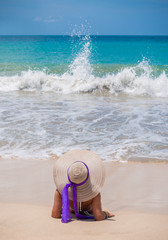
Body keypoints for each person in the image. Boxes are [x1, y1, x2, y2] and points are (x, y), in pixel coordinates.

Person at [51, 150, 115, 222]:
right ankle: (105, 211)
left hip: (71, 209)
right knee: (99, 209)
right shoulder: (94, 192)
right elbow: (99, 217)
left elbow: (55, 215)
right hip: (87, 211)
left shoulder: (61, 190)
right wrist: (105, 214)